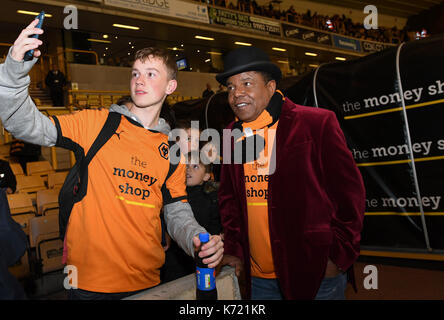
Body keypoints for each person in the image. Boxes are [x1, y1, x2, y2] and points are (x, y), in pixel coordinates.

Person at [0, 18, 223, 300]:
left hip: (149, 281)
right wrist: (13, 72)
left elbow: (176, 209)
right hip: (89, 284)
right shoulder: (96, 123)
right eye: (135, 73)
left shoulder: (172, 152)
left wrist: (195, 238)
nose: (140, 80)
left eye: (152, 74)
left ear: (171, 87)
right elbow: (25, 125)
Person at [216, 46, 365, 300]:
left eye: (247, 83)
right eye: (230, 87)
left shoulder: (316, 123)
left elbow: (350, 194)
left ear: (271, 87)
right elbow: (229, 200)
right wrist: (233, 249)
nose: (236, 93)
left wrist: (338, 255)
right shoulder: (232, 134)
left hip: (314, 273)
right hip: (258, 279)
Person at [162, 149, 222, 282]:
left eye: (195, 166)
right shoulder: (172, 196)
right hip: (174, 262)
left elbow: (215, 228)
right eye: (185, 166)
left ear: (207, 176)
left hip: (202, 260)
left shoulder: (212, 199)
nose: (188, 170)